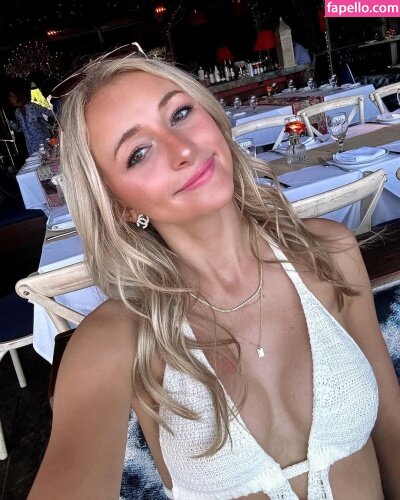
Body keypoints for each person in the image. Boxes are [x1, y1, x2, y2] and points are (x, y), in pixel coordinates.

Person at [28, 49, 400, 500]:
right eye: (138, 153)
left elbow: (391, 424)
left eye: (180, 114)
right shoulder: (116, 340)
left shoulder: (330, 252)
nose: (183, 149)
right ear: (119, 205)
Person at [7, 79, 53, 156]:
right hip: (31, 145)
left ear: (17, 96)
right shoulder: (17, 112)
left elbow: (51, 113)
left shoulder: (32, 106)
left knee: (49, 159)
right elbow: (20, 129)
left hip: (43, 141)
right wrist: (13, 126)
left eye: (11, 98)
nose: (10, 101)